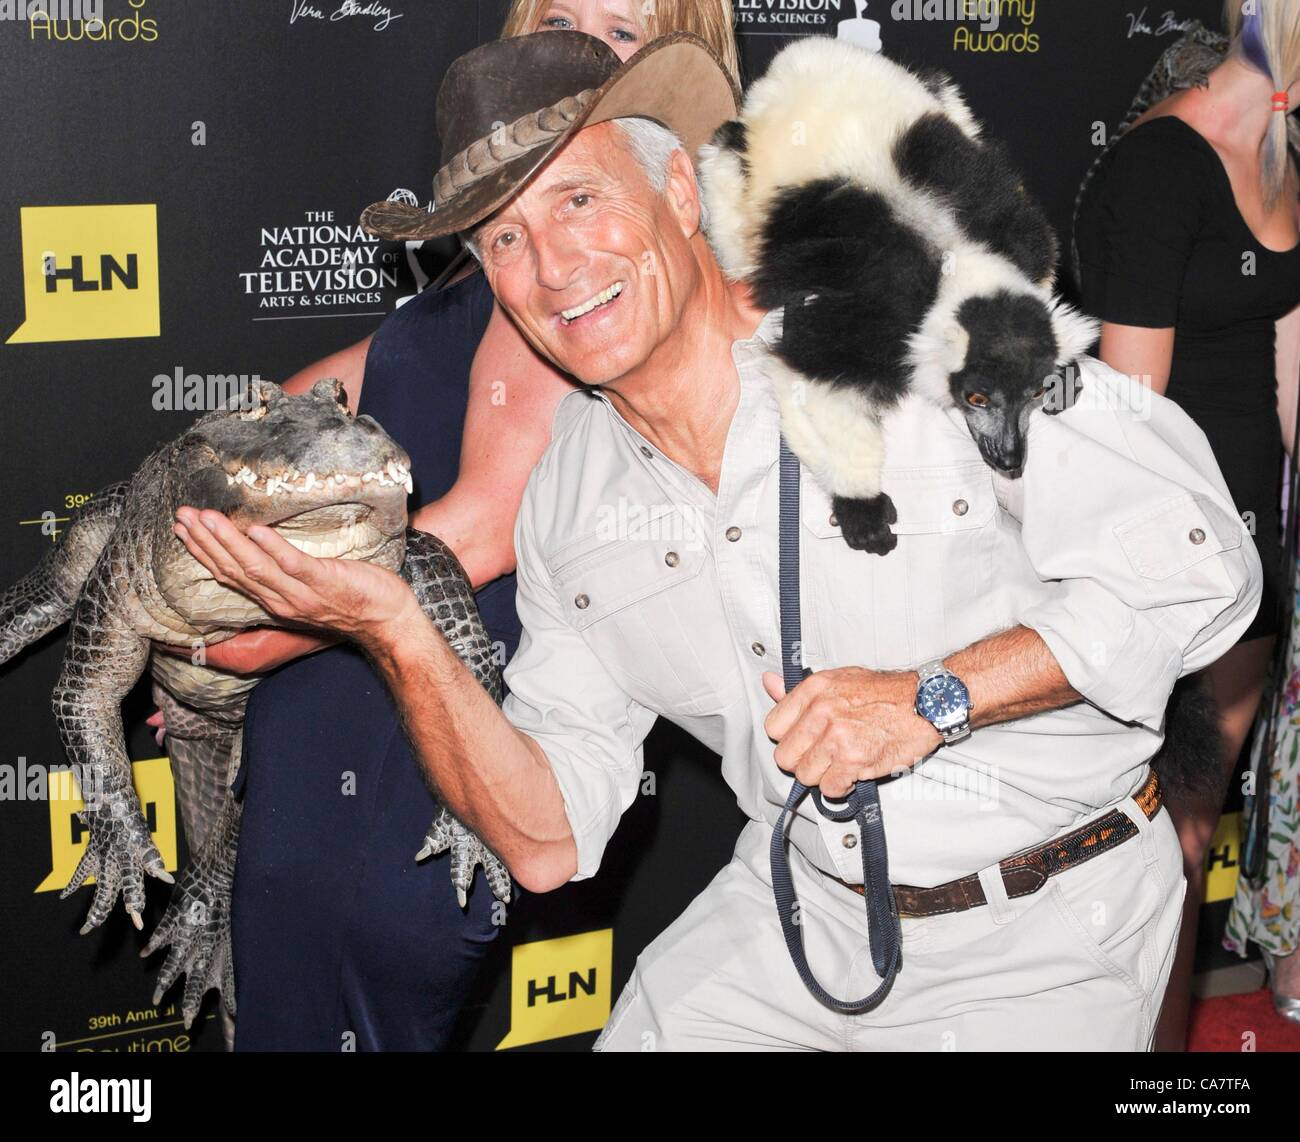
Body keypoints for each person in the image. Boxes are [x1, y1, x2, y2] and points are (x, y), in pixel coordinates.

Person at [175, 29, 1263, 1051]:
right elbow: (548, 836)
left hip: (1044, 923)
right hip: (797, 914)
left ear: (680, 192)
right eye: (504, 236)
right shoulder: (567, 497)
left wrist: (933, 695)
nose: (552, 265)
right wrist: (400, 630)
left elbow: (1200, 561)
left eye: (581, 199)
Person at [165, 1, 742, 1051]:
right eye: (558, 22)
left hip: (418, 724)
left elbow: (472, 535)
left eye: (620, 38)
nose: (573, 59)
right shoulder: (496, 271)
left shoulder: (577, 291)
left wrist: (231, 645)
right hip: (336, 698)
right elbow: (294, 405)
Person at [1073, 0, 1300, 1047]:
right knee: (1143, 842)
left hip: (1253, 555)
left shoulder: (1284, 161)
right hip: (1163, 568)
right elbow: (1126, 424)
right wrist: (1171, 593)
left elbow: (1290, 387)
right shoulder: (1160, 164)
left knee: (1190, 837)